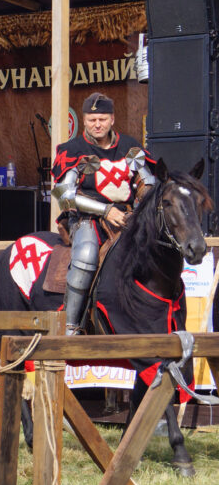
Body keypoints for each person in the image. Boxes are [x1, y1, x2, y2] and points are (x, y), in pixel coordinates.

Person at [51, 92, 154, 335]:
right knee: (86, 255)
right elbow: (64, 196)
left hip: (128, 218)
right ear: (84, 120)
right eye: (92, 119)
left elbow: (147, 184)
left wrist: (138, 211)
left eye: (102, 119)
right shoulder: (73, 149)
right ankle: (70, 325)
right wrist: (106, 210)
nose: (97, 124)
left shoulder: (130, 147)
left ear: (112, 119)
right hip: (87, 218)